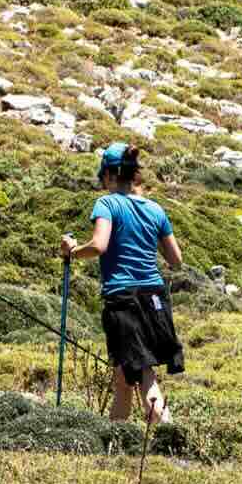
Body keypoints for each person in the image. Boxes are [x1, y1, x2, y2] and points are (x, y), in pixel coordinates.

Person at [61, 142, 184, 424]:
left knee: (143, 373)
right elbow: (175, 259)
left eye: (102, 175)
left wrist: (72, 251)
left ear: (110, 175)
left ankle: (167, 436)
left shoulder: (107, 204)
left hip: (124, 299)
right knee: (123, 377)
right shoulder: (155, 209)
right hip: (155, 298)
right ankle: (116, 439)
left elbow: (99, 245)